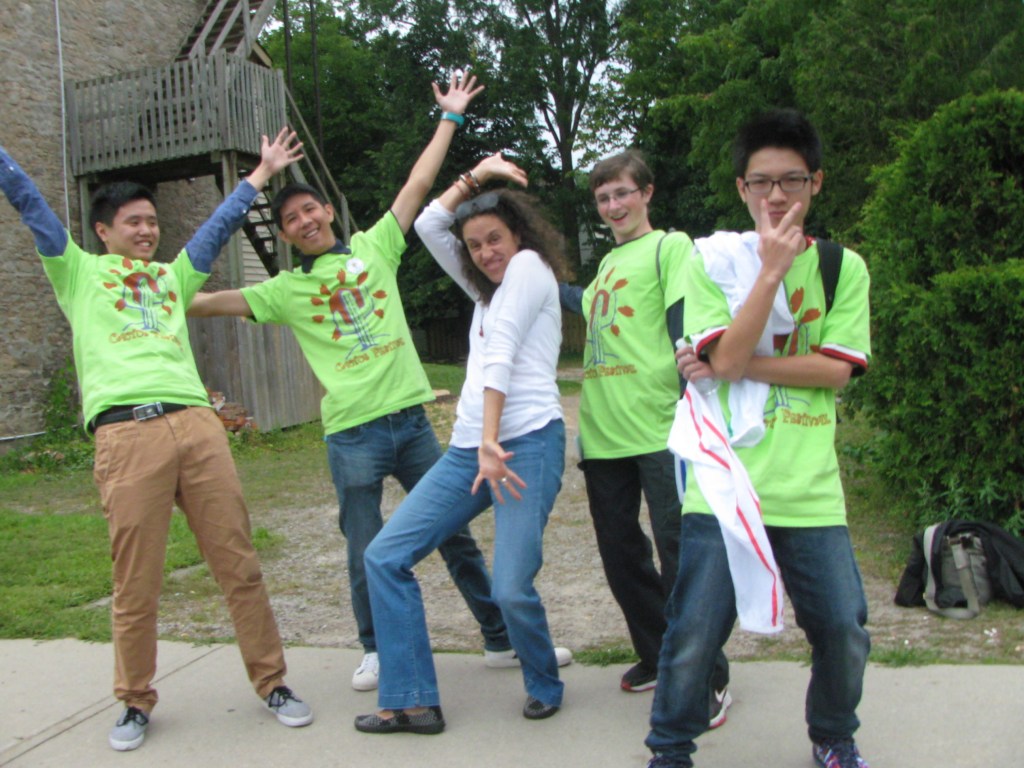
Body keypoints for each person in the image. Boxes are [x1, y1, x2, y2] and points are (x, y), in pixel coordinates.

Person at [188, 72, 521, 691]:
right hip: (353, 439)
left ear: (327, 213)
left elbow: (419, 184)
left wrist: (450, 118)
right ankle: (374, 649)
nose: (304, 220)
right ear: (285, 237)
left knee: (453, 535)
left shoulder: (377, 247)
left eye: (309, 208)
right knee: (365, 549)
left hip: (412, 426)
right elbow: (205, 302)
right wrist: (162, 287)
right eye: (291, 219)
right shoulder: (285, 291)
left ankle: (498, 638)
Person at [0, 129, 313, 752]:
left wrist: (261, 173)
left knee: (238, 563)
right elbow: (28, 201)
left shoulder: (172, 278)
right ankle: (135, 701)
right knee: (136, 581)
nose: (147, 231)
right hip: (126, 435)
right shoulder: (77, 273)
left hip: (196, 426)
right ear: (103, 231)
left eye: (151, 222)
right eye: (133, 223)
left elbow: (217, 228)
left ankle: (273, 682)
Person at [645, 109, 872, 768]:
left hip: (809, 490)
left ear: (817, 184)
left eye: (792, 181)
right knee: (692, 633)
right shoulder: (710, 261)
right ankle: (670, 750)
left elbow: (837, 370)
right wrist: (769, 272)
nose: (778, 196)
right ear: (742, 188)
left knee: (842, 627)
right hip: (722, 484)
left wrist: (732, 365)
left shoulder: (840, 269)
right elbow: (731, 355)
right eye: (762, 182)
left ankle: (833, 736)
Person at [353, 153, 572, 735]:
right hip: (473, 452)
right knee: (384, 555)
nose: (486, 253)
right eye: (475, 245)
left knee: (509, 586)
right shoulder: (485, 292)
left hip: (524, 445)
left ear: (517, 234)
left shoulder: (528, 269)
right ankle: (413, 700)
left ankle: (544, 680)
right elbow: (428, 224)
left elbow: (501, 353)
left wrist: (492, 441)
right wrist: (476, 175)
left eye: (494, 238)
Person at [559, 150, 730, 720]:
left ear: (647, 193)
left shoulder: (669, 247)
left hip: (661, 430)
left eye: (622, 194)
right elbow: (581, 305)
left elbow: (686, 319)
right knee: (621, 558)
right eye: (604, 198)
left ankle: (708, 675)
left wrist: (694, 390)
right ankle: (659, 654)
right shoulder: (605, 267)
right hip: (602, 435)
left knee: (680, 557)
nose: (613, 206)